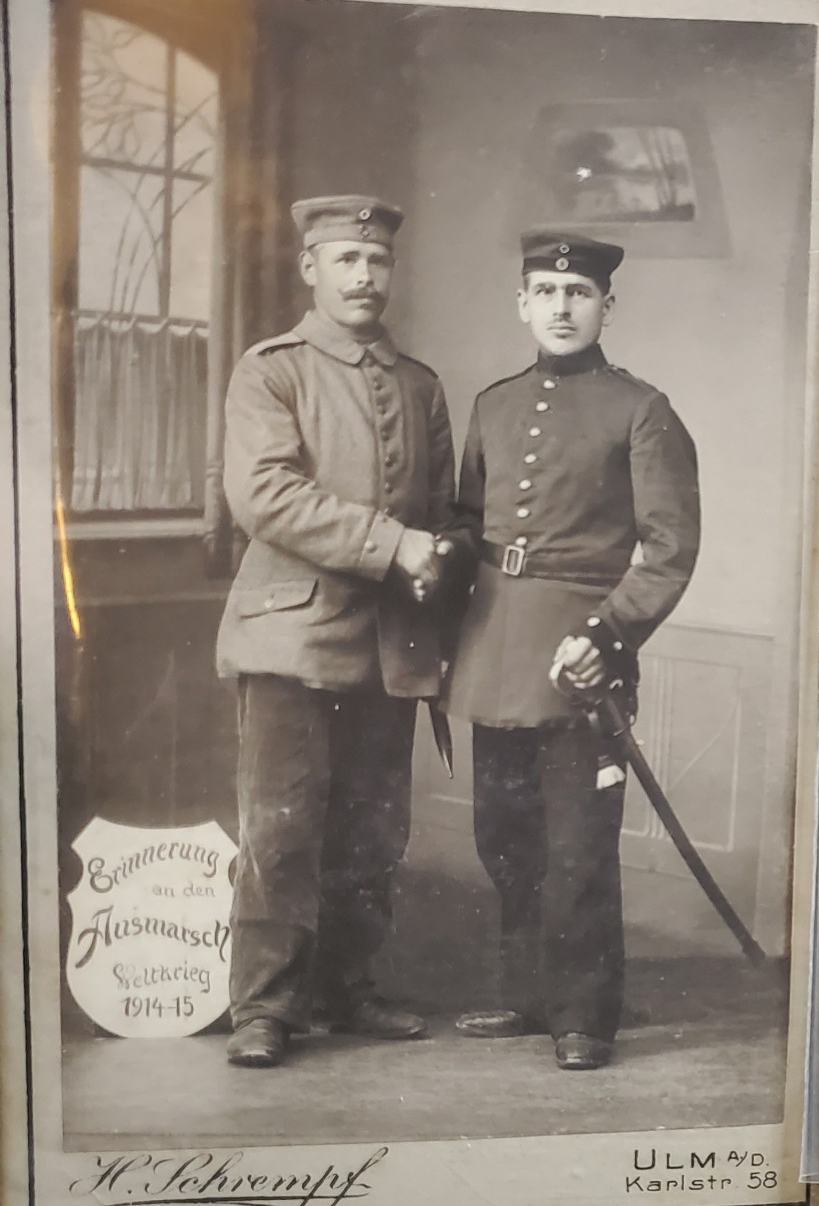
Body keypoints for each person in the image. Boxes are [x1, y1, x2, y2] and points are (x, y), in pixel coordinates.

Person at [441, 231, 700, 1070]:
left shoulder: (643, 410)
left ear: (606, 307)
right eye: (545, 291)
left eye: (578, 292)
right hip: (493, 649)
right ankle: (526, 996)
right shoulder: (493, 403)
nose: (560, 306)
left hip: (582, 654)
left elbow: (668, 548)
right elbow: (466, 523)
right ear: (522, 302)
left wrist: (607, 636)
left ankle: (584, 1015)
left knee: (578, 844)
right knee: (504, 836)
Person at [217, 195, 458, 1067]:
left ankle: (345, 988)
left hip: (390, 645)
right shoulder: (270, 370)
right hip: (290, 638)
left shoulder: (419, 384)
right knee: (281, 828)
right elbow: (265, 496)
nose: (364, 277)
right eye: (346, 260)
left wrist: (441, 557)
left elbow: (439, 517)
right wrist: (395, 545)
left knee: (372, 827)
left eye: (378, 262)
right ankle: (265, 1007)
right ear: (310, 269)